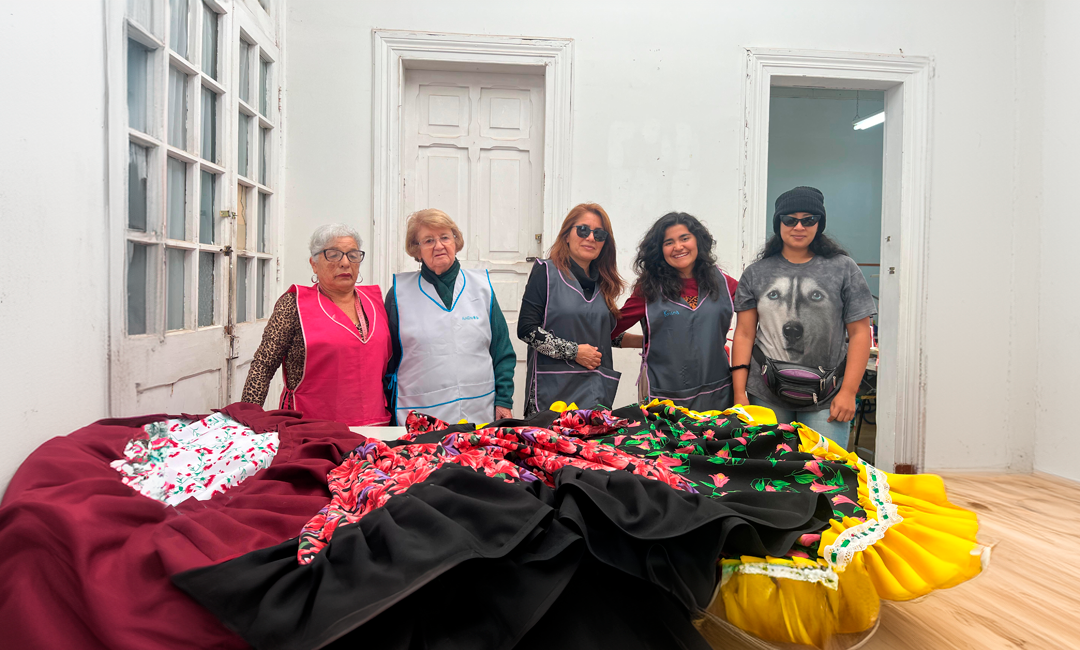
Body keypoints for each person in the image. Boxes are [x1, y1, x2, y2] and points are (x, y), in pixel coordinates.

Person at [730, 186, 875, 448]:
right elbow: (744, 333)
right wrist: (740, 393)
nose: (799, 226)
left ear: (819, 224)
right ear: (779, 223)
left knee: (826, 476)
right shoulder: (756, 273)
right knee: (769, 477)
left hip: (828, 397)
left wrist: (849, 392)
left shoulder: (843, 269)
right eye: (790, 219)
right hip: (765, 393)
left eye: (808, 219)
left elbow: (859, 333)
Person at [241, 224, 392, 425]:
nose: (345, 263)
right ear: (314, 263)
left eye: (353, 255)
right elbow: (263, 366)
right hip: (310, 429)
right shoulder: (294, 305)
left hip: (375, 427)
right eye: (334, 254)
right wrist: (245, 423)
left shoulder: (375, 302)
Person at [385, 209, 515, 424]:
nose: (438, 246)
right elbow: (388, 360)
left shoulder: (482, 287)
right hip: (419, 414)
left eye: (445, 237)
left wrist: (504, 400)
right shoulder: (399, 294)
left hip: (479, 409)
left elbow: (502, 350)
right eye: (428, 240)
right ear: (416, 250)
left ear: (455, 241)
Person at [613, 212, 739, 412]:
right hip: (663, 398)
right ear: (659, 250)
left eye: (685, 238)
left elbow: (757, 322)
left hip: (718, 394)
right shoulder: (648, 291)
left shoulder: (725, 285)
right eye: (668, 242)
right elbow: (607, 330)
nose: (678, 247)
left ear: (698, 241)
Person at [518, 203, 625, 415]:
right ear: (567, 235)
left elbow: (606, 334)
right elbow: (527, 329)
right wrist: (574, 352)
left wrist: (646, 340)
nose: (591, 238)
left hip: (594, 394)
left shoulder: (604, 283)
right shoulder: (545, 273)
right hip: (551, 394)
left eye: (599, 234)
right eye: (583, 230)